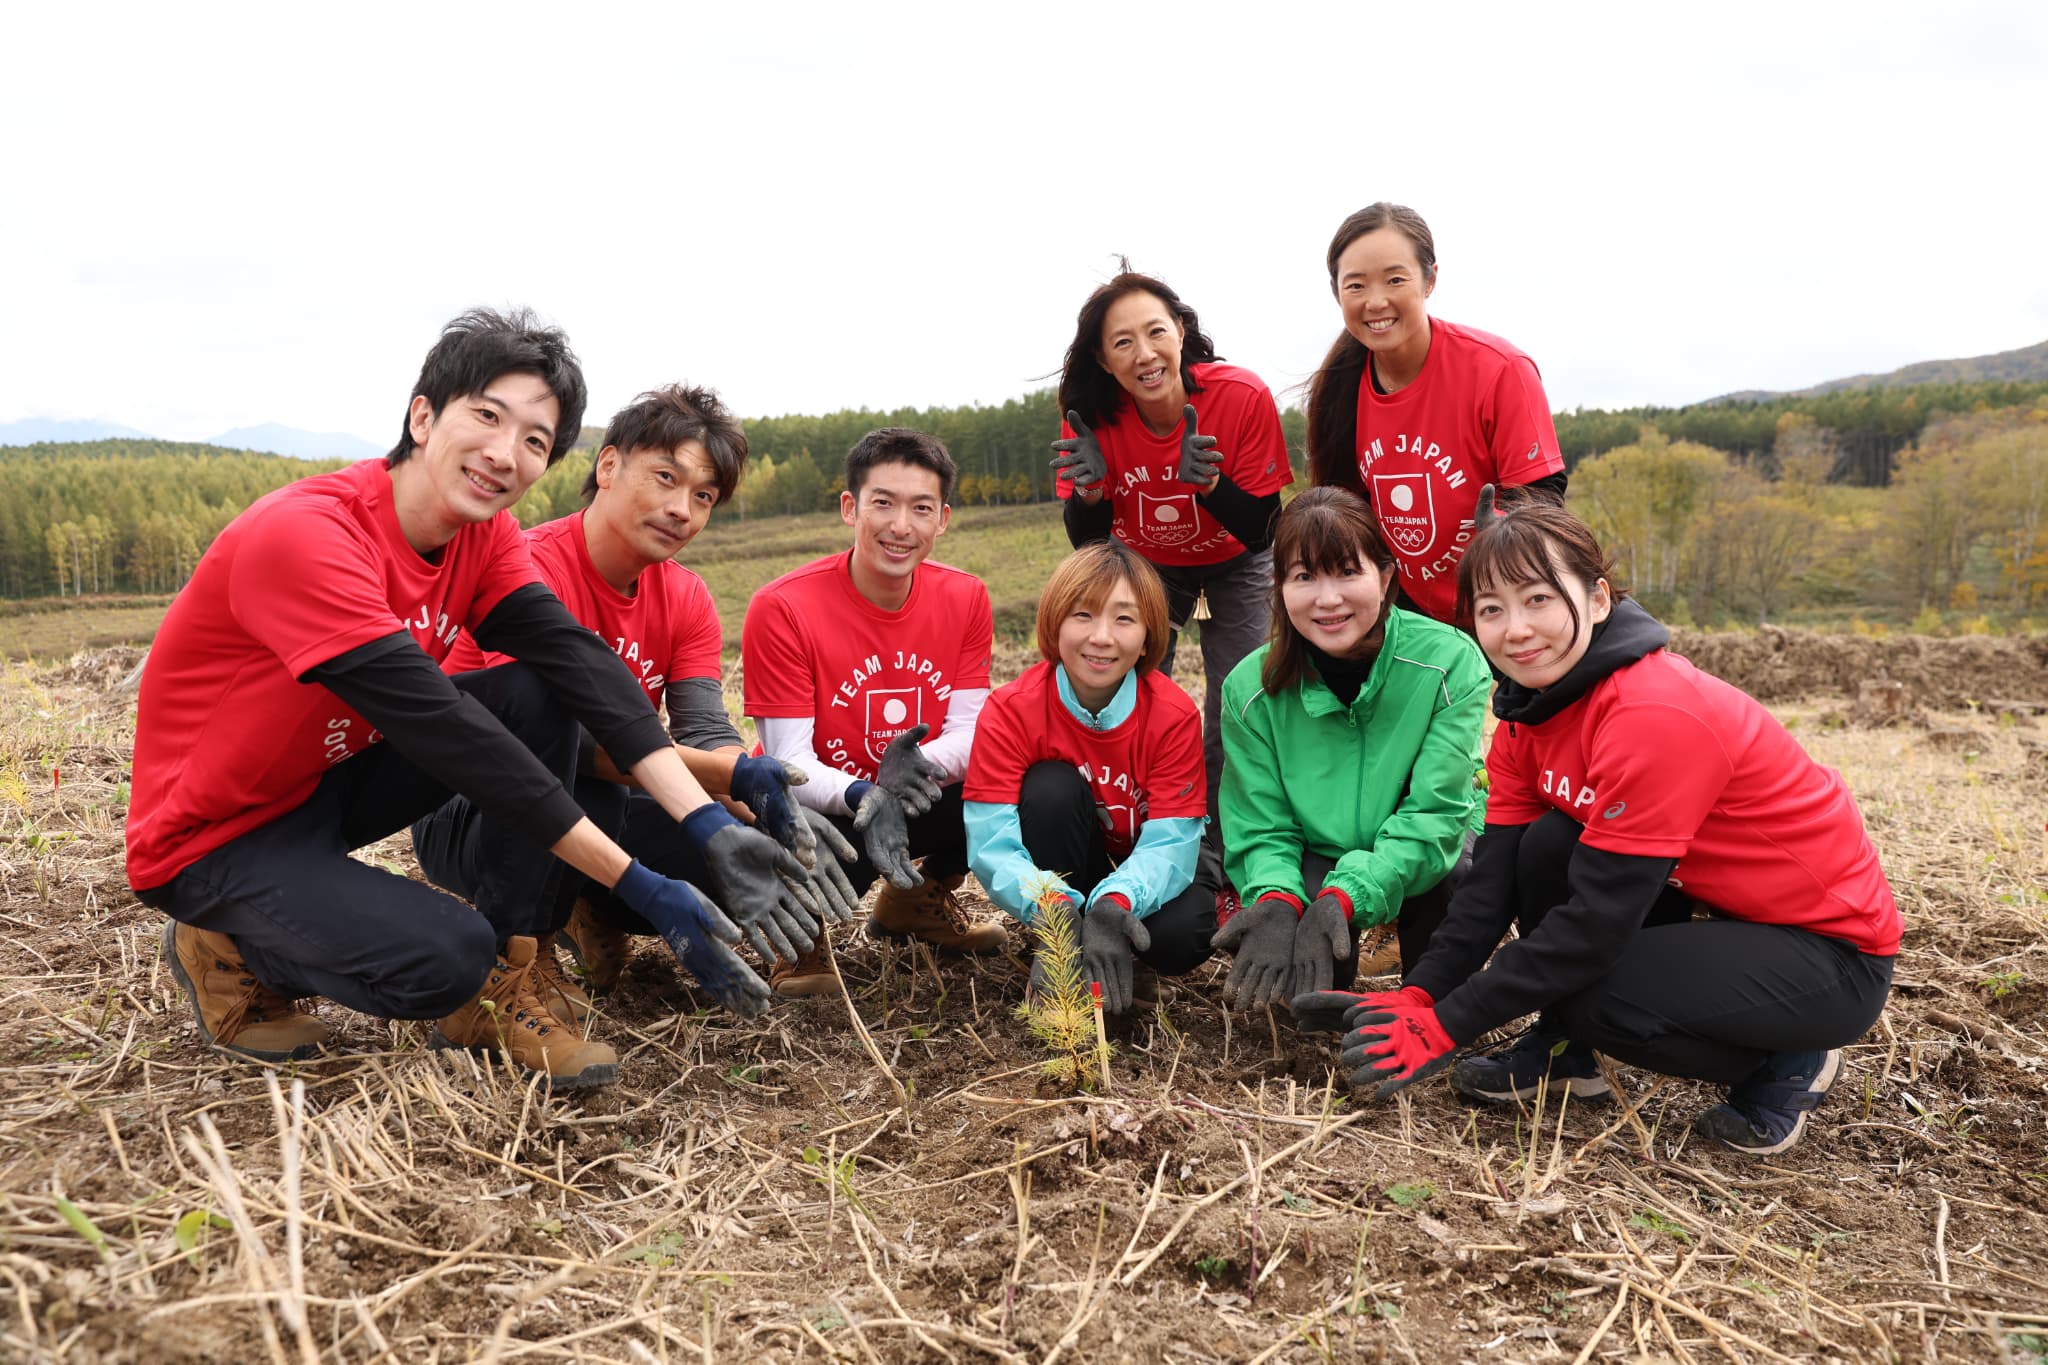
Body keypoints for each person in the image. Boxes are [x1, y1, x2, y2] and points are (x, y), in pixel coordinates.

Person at [131, 310, 807, 1090]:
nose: (503, 453)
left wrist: (707, 820)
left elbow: (578, 662)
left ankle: (514, 967)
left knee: (539, 690)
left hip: (316, 790)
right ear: (423, 415)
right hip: (212, 834)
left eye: (533, 440)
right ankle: (227, 945)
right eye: (487, 415)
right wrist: (638, 882)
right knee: (448, 956)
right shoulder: (310, 536)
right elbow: (452, 734)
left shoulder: (482, 539)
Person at [1302, 489, 1900, 1157]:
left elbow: (1592, 929)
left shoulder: (1654, 715)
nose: (1517, 629)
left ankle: (1788, 1061)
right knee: (1544, 846)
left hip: (1828, 950)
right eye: (1492, 610)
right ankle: (1567, 1055)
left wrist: (1449, 1025)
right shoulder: (1529, 717)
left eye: (1538, 600)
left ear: (1596, 600)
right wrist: (1421, 994)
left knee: (1595, 992)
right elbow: (1490, 885)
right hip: (1721, 911)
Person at [409, 384, 862, 1011]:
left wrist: (762, 811)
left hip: (611, 792)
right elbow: (560, 742)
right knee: (581, 774)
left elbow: (705, 731)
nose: (682, 509)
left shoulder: (687, 598)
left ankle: (589, 907)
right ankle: (522, 952)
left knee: (753, 836)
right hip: (472, 802)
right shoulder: (530, 566)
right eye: (665, 479)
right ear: (608, 465)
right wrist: (736, 774)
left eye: (702, 496)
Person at [743, 427, 1007, 995]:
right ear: (850, 507)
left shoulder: (966, 598)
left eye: (921, 508)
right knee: (777, 801)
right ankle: (799, 940)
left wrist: (904, 773)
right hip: (825, 808)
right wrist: (867, 793)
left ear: (943, 520)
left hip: (909, 793)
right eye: (883, 503)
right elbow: (788, 760)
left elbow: (970, 731)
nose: (900, 526)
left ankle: (917, 898)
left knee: (1020, 772)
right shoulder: (783, 607)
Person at [1210, 488, 1489, 1010]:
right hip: (1321, 849)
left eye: (1346, 572)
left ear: (1385, 577)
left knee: (1454, 876)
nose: (1328, 598)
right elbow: (1260, 824)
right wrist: (1275, 897)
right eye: (1304, 577)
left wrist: (1347, 895)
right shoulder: (1248, 689)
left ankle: (1429, 1007)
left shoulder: (1450, 663)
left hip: (1433, 851)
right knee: (1308, 1005)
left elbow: (1436, 815)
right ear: (1280, 588)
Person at [1051, 266, 1294, 827]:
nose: (1144, 353)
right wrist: (1090, 493)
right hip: (1143, 564)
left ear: (1181, 331)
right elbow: (1088, 545)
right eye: (1122, 342)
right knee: (1125, 687)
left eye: (1156, 331)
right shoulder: (1088, 416)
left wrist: (1211, 486)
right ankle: (1130, 821)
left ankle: (1222, 835)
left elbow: (1264, 531)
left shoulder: (1240, 395)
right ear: (1103, 360)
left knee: (1238, 699)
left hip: (1237, 563)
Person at [962, 541, 1216, 1013]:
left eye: (1124, 619)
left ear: (1147, 637)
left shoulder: (1173, 714)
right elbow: (991, 841)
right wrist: (1051, 909)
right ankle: (1062, 945)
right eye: (1083, 615)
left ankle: (1120, 951)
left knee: (1182, 936)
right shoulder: (1011, 709)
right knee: (1049, 788)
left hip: (1141, 870)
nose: (1102, 637)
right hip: (1073, 866)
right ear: (1054, 623)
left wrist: (1116, 903)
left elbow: (1172, 842)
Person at [1304, 203, 1568, 627]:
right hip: (1411, 617)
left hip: (1504, 611)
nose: (1375, 301)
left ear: (1430, 280)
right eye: (1355, 285)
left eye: (1395, 279)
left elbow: (1544, 504)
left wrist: (1509, 525)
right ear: (1336, 292)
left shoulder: (1499, 369)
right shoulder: (1340, 387)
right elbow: (1347, 516)